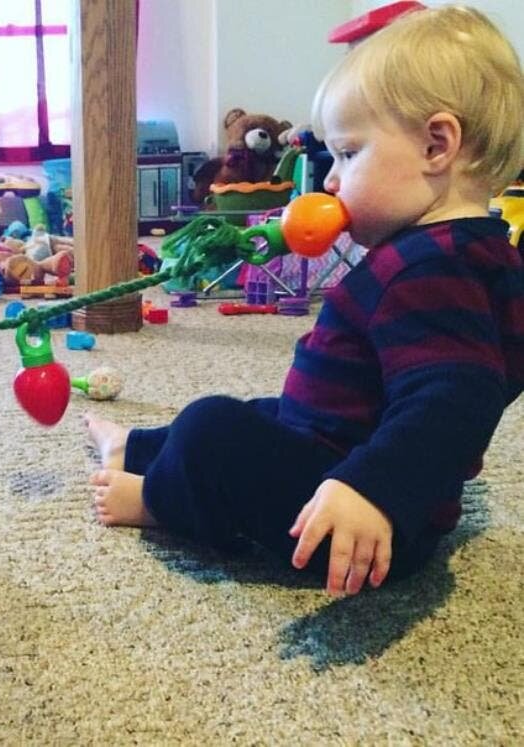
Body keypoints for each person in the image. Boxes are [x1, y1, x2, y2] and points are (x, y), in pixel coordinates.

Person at [86, 5, 524, 597]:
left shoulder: (430, 268)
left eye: (348, 154)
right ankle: (133, 447)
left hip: (352, 519)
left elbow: (461, 395)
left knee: (212, 427)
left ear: (436, 146)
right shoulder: (480, 253)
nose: (331, 182)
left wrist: (373, 489)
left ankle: (161, 501)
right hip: (350, 455)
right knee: (268, 411)